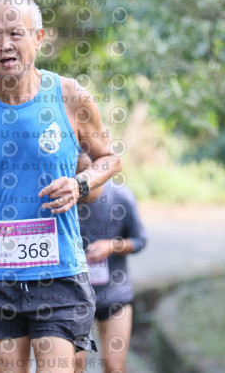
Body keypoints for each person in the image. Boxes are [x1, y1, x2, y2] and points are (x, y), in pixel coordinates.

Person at [0, 0, 122, 373]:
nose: (4, 44)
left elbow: (110, 158)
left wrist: (80, 184)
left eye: (15, 34)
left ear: (38, 38)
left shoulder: (70, 96)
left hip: (59, 271)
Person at [73, 153, 148, 373]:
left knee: (114, 367)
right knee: (74, 367)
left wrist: (112, 246)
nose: (78, 188)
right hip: (73, 299)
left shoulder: (121, 198)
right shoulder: (64, 200)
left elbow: (140, 240)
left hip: (115, 295)